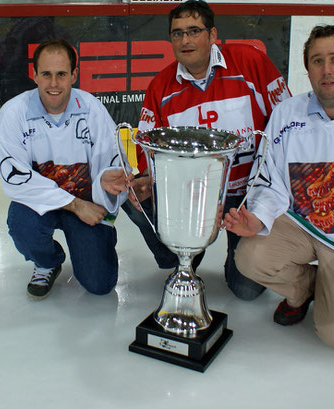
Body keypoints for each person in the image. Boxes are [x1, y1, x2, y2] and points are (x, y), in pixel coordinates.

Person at [223, 24, 334, 349]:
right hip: (303, 228)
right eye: (317, 61)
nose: (326, 70)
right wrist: (257, 217)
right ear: (308, 68)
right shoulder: (287, 114)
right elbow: (269, 178)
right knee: (250, 257)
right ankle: (306, 288)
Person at [124, 0, 291, 300]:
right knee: (128, 194)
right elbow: (146, 149)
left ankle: (237, 252)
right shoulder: (160, 86)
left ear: (212, 34)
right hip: (193, 196)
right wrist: (146, 180)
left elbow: (285, 125)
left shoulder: (251, 62)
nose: (185, 40)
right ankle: (182, 255)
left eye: (193, 31)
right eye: (177, 34)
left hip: (249, 194)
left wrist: (270, 197)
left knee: (247, 289)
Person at [0, 39, 129, 300]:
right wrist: (75, 204)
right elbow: (15, 179)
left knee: (100, 284)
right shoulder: (13, 113)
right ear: (34, 75)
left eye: (61, 74)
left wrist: (109, 180)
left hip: (87, 205)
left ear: (74, 75)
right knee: (21, 223)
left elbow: (112, 163)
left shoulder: (92, 108)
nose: (54, 83)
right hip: (49, 204)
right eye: (46, 74)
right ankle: (48, 261)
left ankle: (99, 240)